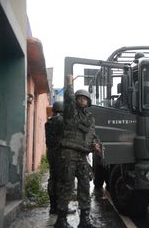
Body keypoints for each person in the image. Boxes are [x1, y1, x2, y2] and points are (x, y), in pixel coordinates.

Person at [54, 75, 101, 228]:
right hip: (69, 153)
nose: (82, 100)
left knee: (85, 186)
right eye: (79, 98)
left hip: (82, 155)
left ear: (88, 102)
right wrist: (69, 84)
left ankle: (84, 220)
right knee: (67, 186)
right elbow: (68, 99)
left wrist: (95, 145)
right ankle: (61, 220)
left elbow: (92, 135)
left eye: (84, 98)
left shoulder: (90, 118)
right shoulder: (70, 112)